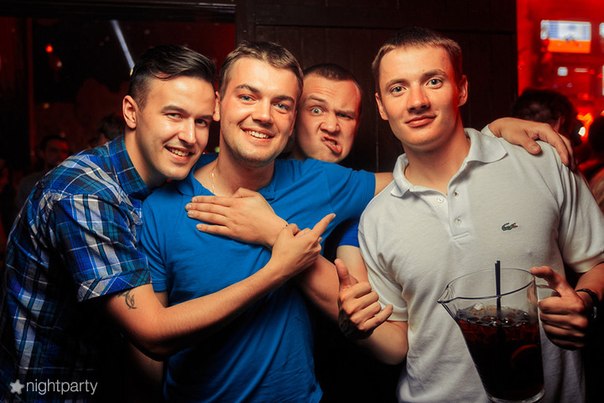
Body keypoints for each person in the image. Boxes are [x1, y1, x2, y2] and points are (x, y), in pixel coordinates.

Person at [145, 43, 574, 402]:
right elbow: (150, 347)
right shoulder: (164, 198)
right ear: (217, 103)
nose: (264, 115)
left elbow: (426, 170)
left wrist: (492, 135)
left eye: (281, 104)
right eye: (247, 97)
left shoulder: (325, 183)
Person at [0, 44, 330, 402]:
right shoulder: (84, 194)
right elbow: (152, 334)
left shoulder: (163, 181)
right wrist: (278, 269)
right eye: (174, 115)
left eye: (200, 121)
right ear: (131, 112)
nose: (189, 136)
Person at [336, 26, 604, 403]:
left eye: (433, 81)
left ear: (461, 89)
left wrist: (587, 300)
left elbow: (598, 262)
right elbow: (398, 342)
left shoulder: (540, 163)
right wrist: (358, 329)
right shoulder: (377, 218)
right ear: (382, 106)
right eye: (398, 88)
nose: (416, 101)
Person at [16, 134, 70, 207]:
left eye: (64, 151)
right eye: (54, 151)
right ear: (42, 153)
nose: (60, 155)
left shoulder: (74, 181)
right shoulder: (29, 183)